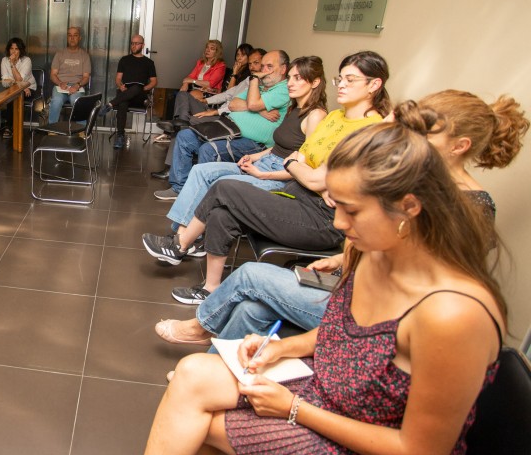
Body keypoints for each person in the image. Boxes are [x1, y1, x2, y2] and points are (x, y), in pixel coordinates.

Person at [133, 115, 508, 455]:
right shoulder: (377, 252)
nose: (340, 224)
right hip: (334, 394)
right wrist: (283, 349)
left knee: (196, 424)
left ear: (409, 207)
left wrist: (295, 409)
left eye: (352, 210)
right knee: (192, 375)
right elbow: (345, 331)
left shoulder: (454, 313)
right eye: (335, 204)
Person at [154, 90, 527, 346]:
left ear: (460, 146)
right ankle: (217, 375)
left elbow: (416, 285)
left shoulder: (471, 208)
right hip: (354, 287)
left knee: (250, 275)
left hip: (375, 317)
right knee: (252, 308)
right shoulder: (424, 186)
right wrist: (343, 259)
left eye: (424, 135)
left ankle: (202, 329)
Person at [143, 51, 390, 304]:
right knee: (221, 212)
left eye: (351, 80)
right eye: (341, 79)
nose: (343, 85)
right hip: (295, 193)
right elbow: (301, 157)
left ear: (374, 84)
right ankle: (210, 288)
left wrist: (302, 169)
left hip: (320, 217)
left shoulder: (369, 130)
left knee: (224, 188)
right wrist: (302, 168)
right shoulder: (336, 118)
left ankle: (180, 244)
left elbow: (312, 176)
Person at [164, 56, 327, 231]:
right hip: (264, 161)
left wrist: (262, 175)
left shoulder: (316, 115)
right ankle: (180, 234)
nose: (290, 84)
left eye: (298, 78)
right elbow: (279, 146)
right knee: (199, 170)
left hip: (276, 174)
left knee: (217, 181)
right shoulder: (294, 109)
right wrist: (253, 157)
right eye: (291, 78)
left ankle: (183, 238)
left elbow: (302, 166)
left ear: (315, 82)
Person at [154, 50, 291, 201]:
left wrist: (253, 90)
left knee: (208, 149)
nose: (263, 71)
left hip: (253, 143)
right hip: (227, 128)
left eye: (269, 67)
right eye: (263, 66)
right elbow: (233, 104)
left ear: (283, 69)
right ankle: (179, 188)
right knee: (184, 136)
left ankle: (199, 199)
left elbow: (251, 104)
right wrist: (261, 109)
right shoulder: (259, 87)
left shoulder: (283, 89)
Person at [99, 34, 157, 150]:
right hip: (125, 92)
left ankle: (110, 104)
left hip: (139, 94)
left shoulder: (149, 62)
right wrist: (120, 86)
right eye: (132, 43)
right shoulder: (124, 60)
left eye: (136, 43)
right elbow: (118, 79)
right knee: (123, 103)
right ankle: (120, 136)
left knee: (136, 88)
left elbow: (154, 82)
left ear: (142, 45)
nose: (133, 46)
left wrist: (144, 88)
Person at [161, 39, 227, 128]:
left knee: (186, 96)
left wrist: (192, 81)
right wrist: (185, 83)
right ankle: (176, 123)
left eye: (212, 48)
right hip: (196, 90)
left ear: (217, 52)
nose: (208, 50)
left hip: (210, 93)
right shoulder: (200, 63)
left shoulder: (220, 66)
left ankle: (179, 123)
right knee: (174, 96)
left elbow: (210, 84)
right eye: (207, 47)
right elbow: (189, 76)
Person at [48, 26, 91, 123]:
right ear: (67, 38)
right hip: (61, 86)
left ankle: (81, 131)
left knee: (77, 102)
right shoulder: (59, 54)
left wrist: (77, 85)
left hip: (77, 87)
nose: (72, 38)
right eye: (69, 35)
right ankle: (52, 130)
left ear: (79, 38)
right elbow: (53, 74)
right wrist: (60, 83)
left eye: (75, 35)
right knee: (56, 101)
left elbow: (86, 77)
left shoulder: (84, 55)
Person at [0, 37, 37, 139]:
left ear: (21, 50)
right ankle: (12, 126)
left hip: (29, 89)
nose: (14, 51)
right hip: (16, 89)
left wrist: (12, 64)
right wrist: (20, 85)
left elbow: (20, 78)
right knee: (13, 95)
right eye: (12, 49)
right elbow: (4, 82)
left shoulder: (26, 60)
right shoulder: (4, 60)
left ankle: (9, 127)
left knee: (13, 96)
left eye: (17, 49)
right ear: (8, 49)